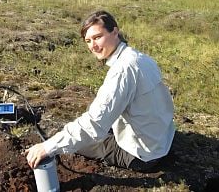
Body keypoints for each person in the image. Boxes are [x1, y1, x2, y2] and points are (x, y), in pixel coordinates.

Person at [24, 10, 175, 172]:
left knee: (79, 144)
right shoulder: (139, 57)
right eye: (88, 41)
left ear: (115, 32)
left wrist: (47, 147)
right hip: (162, 138)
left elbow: (94, 125)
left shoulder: (122, 70)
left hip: (143, 154)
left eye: (97, 37)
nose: (93, 46)